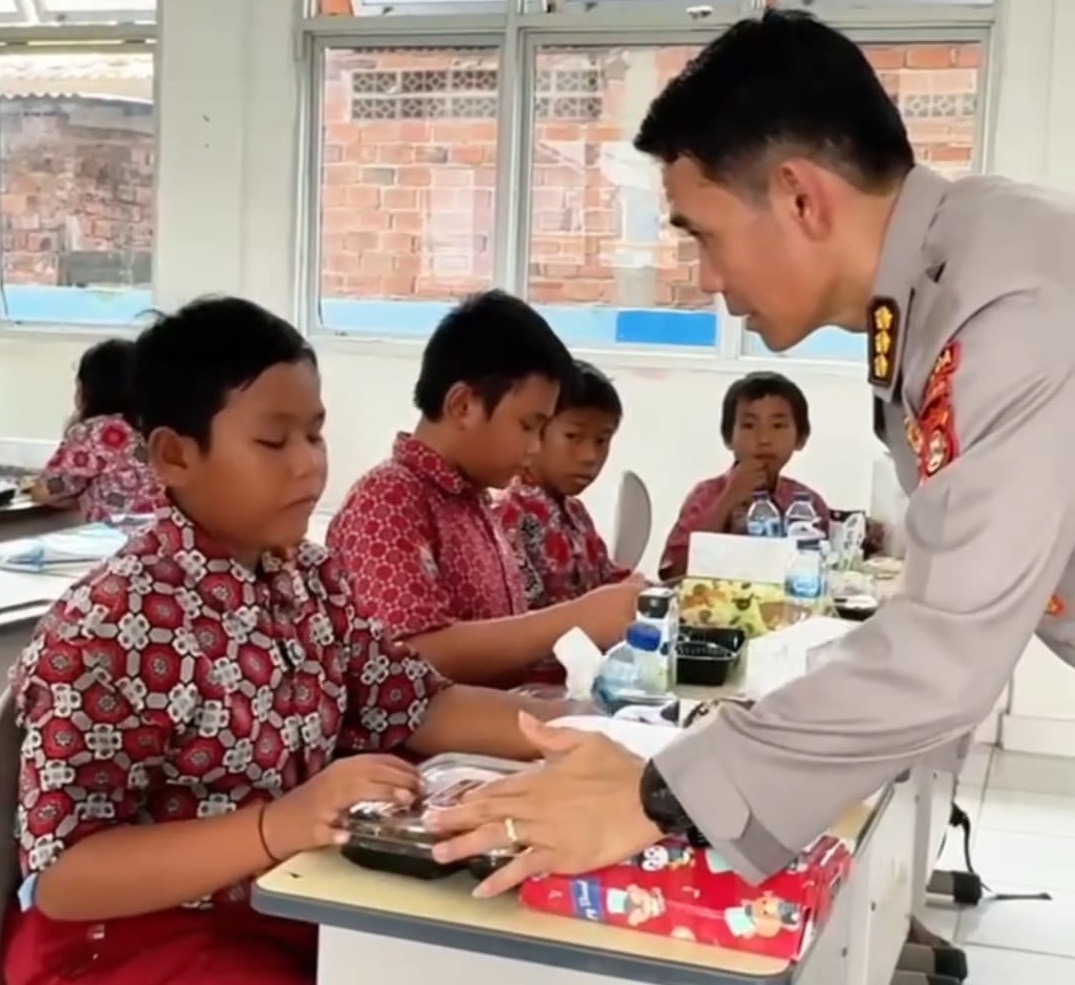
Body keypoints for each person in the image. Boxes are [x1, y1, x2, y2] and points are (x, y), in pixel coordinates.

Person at [424, 8, 1075, 899]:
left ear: (801, 198)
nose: (708, 280)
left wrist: (659, 791)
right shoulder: (953, 276)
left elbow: (946, 650)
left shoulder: (1005, 306)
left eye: (701, 233)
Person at [3, 296, 590, 985]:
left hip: (281, 898)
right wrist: (278, 825)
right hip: (135, 941)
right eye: (273, 441)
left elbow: (411, 702)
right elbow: (66, 875)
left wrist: (581, 730)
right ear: (173, 455)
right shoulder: (109, 623)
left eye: (315, 434)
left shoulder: (306, 576)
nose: (309, 465)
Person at [327, 291, 642, 688]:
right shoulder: (388, 500)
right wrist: (575, 619)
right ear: (463, 406)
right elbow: (410, 657)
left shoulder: (471, 500)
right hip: (428, 750)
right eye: (528, 426)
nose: (533, 448)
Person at [658, 371, 829, 579]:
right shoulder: (706, 496)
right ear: (728, 437)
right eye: (748, 426)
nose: (764, 439)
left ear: (800, 438)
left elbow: (827, 565)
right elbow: (674, 574)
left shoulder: (806, 502)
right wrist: (727, 501)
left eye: (778, 426)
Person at [496, 359, 632, 612]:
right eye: (573, 436)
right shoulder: (510, 514)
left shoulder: (577, 514)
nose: (590, 456)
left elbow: (609, 581)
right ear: (537, 431)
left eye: (602, 440)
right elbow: (518, 619)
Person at [29, 338, 165, 522]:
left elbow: (46, 491)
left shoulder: (96, 432)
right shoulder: (165, 423)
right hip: (165, 534)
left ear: (90, 389)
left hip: (112, 540)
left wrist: (82, 501)